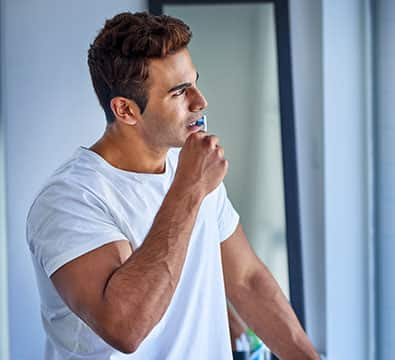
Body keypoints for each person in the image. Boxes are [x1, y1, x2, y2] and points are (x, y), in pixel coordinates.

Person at [26, 12, 319, 359]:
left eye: (195, 82)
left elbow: (247, 280)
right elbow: (125, 327)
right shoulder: (70, 200)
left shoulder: (190, 170)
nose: (201, 102)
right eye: (180, 92)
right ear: (125, 110)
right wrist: (189, 189)